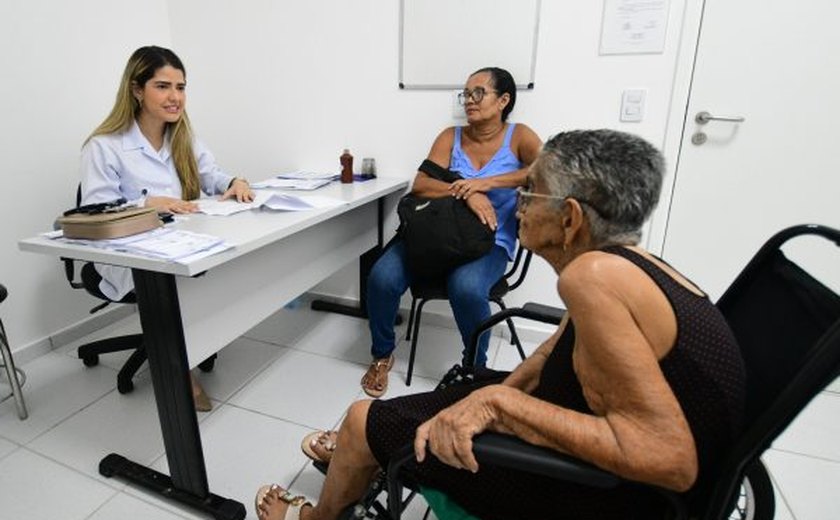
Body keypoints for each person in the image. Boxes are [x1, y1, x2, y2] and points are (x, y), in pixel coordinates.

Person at [255, 129, 746, 520]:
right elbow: (552, 353)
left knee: (364, 417)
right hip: (602, 459)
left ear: (570, 218)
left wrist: (499, 402)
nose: (523, 202)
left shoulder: (592, 277)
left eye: (532, 190)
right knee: (465, 387)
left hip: (601, 495)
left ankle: (320, 513)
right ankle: (360, 457)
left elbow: (672, 460)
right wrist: (492, 395)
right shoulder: (627, 261)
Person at [79, 45, 254, 412]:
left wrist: (234, 182)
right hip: (127, 255)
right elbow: (93, 213)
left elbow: (211, 176)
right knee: (179, 286)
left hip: (177, 243)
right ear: (137, 89)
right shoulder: (104, 146)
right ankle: (180, 366)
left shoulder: (182, 138)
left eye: (181, 86)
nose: (175, 97)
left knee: (225, 266)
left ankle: (189, 343)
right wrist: (145, 203)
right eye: (163, 86)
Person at [360, 66, 542, 398]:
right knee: (381, 278)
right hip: (433, 234)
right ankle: (382, 353)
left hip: (489, 241)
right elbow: (423, 184)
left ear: (503, 100)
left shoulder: (520, 136)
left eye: (478, 93)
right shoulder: (450, 136)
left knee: (467, 288)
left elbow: (547, 170)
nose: (469, 101)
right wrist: (468, 192)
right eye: (466, 94)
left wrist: (487, 182)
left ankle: (474, 369)